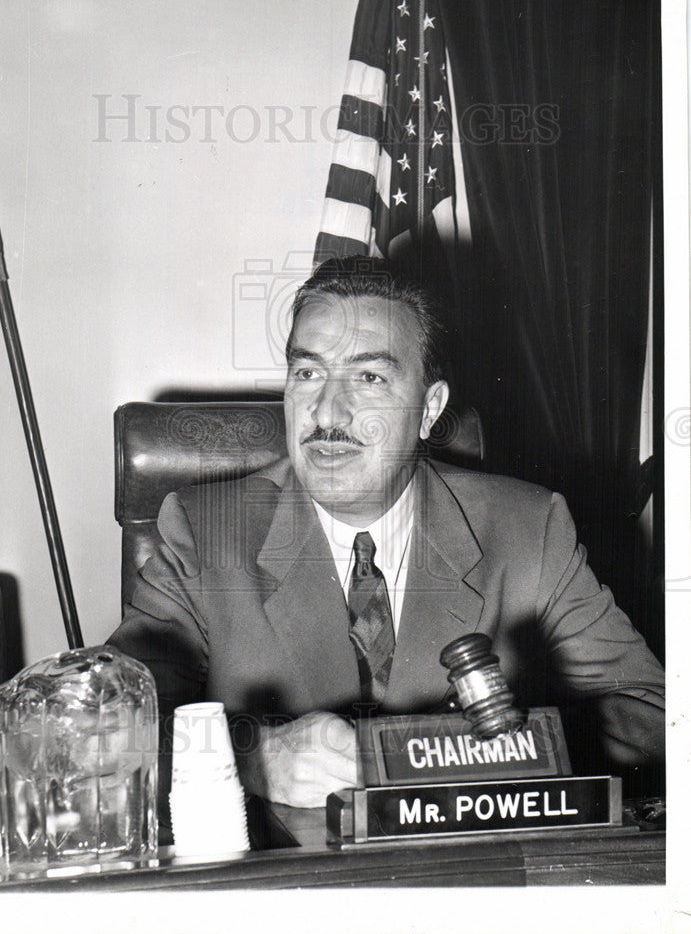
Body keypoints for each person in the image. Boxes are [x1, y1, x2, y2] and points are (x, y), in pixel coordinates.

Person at [108, 256, 665, 809]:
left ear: (429, 409)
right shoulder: (206, 534)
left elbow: (653, 715)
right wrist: (253, 757)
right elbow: (114, 731)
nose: (327, 411)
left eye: (368, 377)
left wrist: (475, 754)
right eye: (308, 373)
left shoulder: (528, 529)